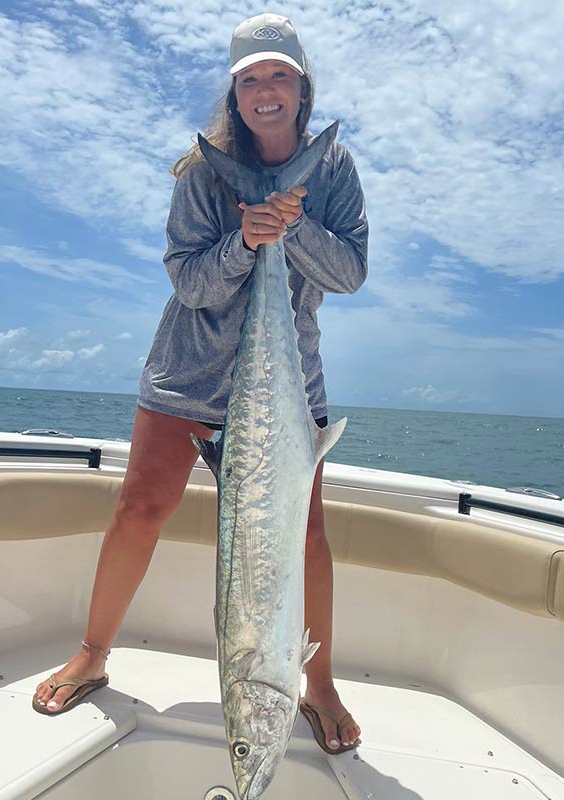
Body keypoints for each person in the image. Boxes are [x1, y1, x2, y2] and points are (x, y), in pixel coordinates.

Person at [33, 12, 368, 754]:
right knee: (141, 507)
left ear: (301, 86)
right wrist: (247, 239)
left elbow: (350, 272)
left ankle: (317, 682)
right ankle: (92, 652)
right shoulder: (202, 169)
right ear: (236, 93)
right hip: (188, 369)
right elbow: (187, 280)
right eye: (249, 79)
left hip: (287, 381)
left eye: (278, 74)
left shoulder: (333, 169)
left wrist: (293, 227)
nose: (264, 90)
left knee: (305, 534)